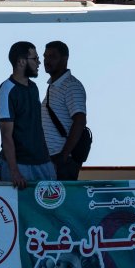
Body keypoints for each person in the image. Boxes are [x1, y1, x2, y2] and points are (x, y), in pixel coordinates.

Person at [0, 41, 57, 188]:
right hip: (19, 165)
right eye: (35, 59)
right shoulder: (6, 90)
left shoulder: (33, 87)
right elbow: (6, 134)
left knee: (50, 209)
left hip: (43, 162)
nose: (39, 63)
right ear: (21, 62)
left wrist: (48, 162)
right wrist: (14, 172)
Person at [41, 40, 90, 180]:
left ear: (65, 59)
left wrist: (63, 155)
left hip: (61, 159)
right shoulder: (54, 86)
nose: (46, 60)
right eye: (45, 56)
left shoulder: (71, 86)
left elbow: (80, 120)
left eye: (52, 56)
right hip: (51, 159)